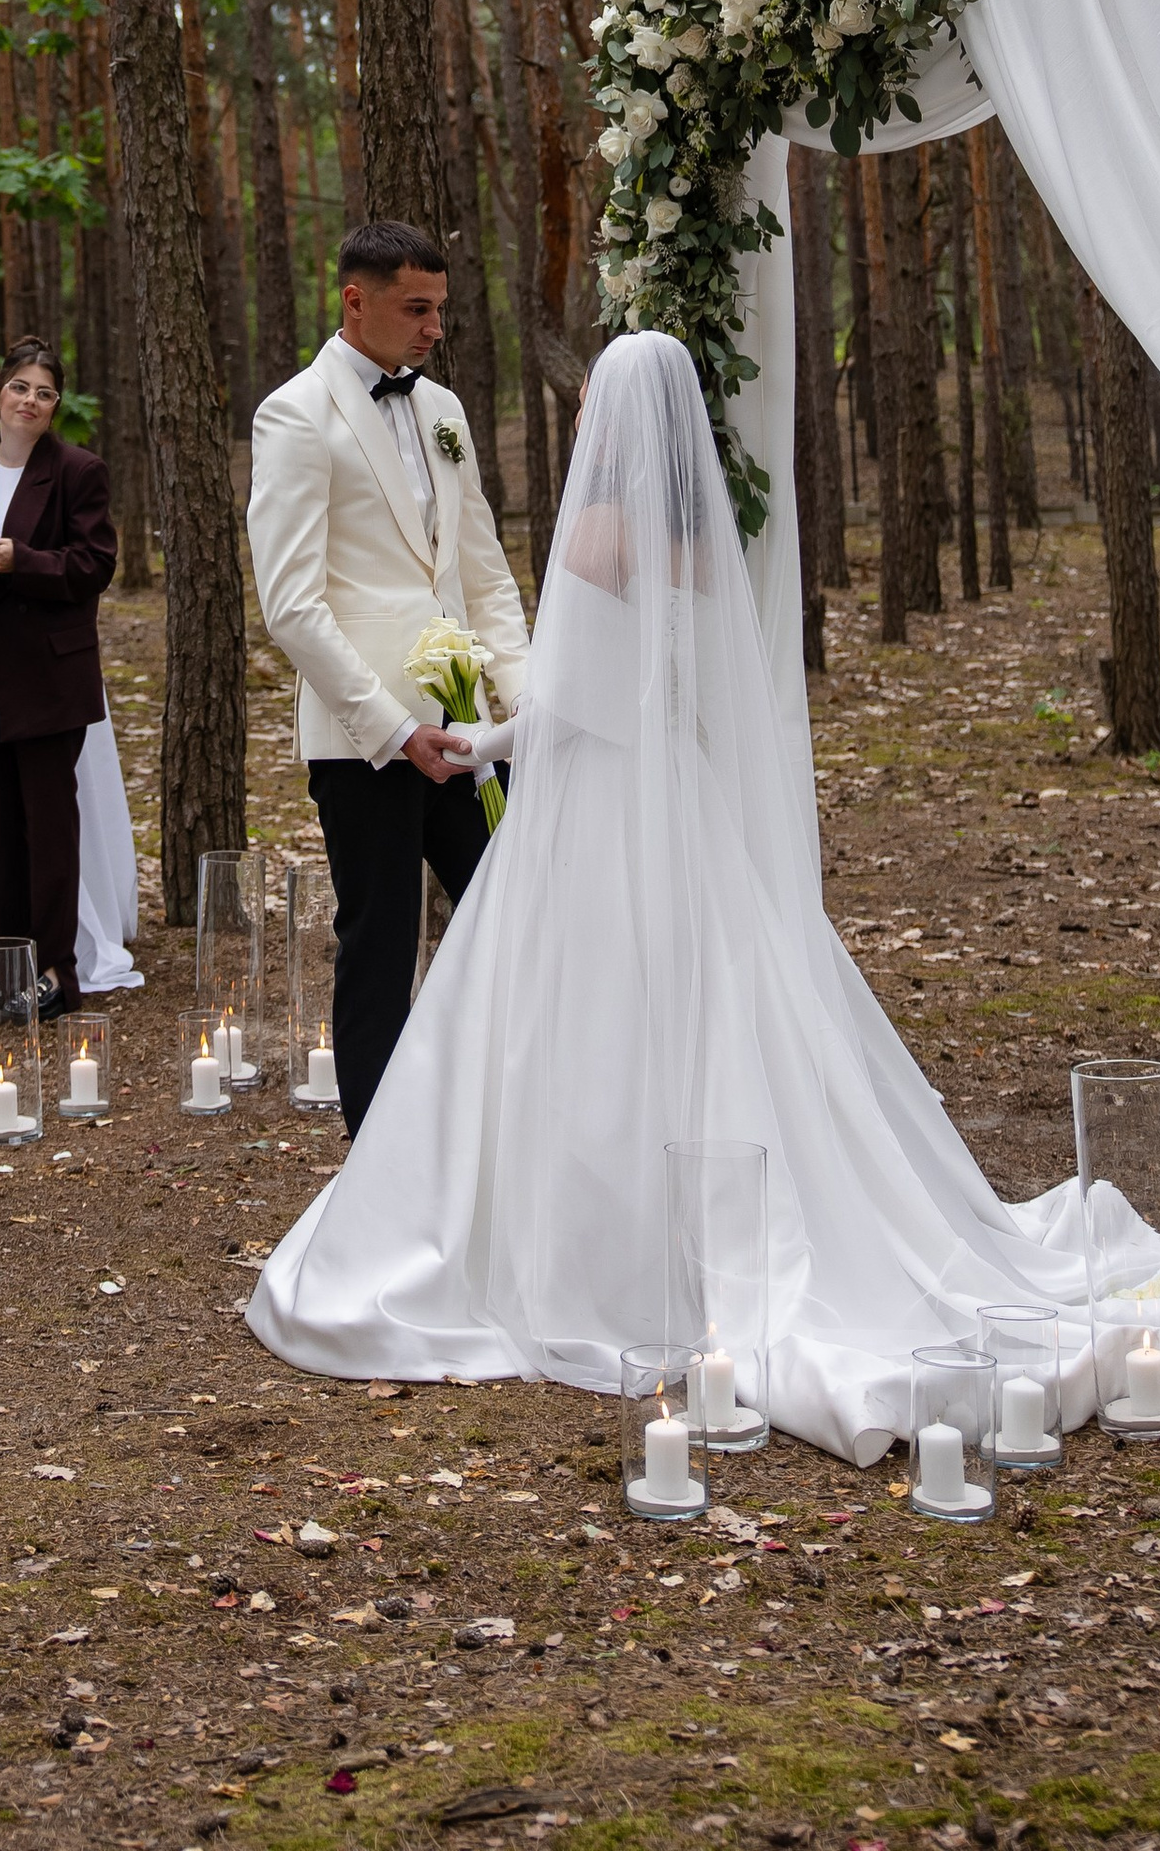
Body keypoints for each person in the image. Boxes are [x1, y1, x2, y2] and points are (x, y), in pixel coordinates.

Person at [248, 327, 1096, 1458]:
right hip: (679, 800)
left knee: (581, 1012)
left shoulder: (599, 531)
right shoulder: (698, 540)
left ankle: (587, 1252)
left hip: (597, 796)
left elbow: (580, 702)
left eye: (594, 388)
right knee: (709, 995)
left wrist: (486, 740)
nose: (586, 402)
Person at [245, 220, 530, 1131]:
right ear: (354, 301)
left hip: (471, 730)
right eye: (417, 308)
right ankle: (376, 1160)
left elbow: (482, 569)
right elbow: (292, 605)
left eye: (441, 309)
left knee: (517, 918)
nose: (434, 328)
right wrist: (393, 728)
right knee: (379, 944)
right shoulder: (295, 414)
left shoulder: (443, 412)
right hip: (367, 738)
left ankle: (498, 1122)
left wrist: (524, 702)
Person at [0, 340, 116, 1013]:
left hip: (48, 677)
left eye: (44, 393)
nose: (30, 401)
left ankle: (57, 974)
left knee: (49, 830)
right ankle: (9, 969)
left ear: (54, 406)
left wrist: (21, 562)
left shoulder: (77, 472)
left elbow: (93, 566)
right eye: (19, 388)